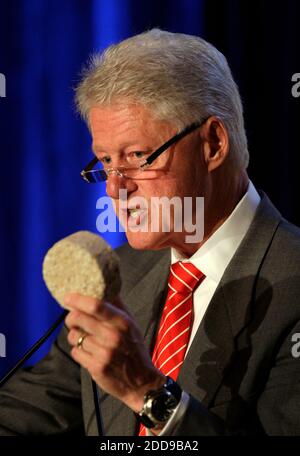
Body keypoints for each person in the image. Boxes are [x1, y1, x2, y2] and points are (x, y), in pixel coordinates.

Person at [1, 28, 300, 436]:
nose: (114, 187)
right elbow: (27, 410)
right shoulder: (121, 273)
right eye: (106, 161)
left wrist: (146, 390)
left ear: (212, 144)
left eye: (138, 156)